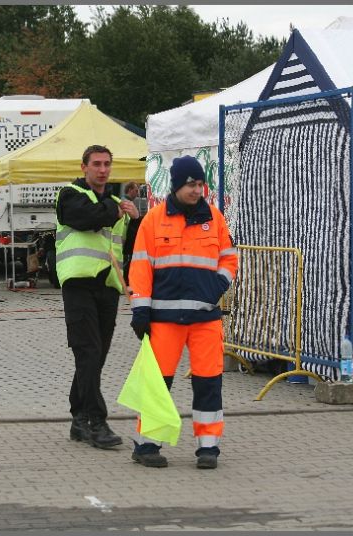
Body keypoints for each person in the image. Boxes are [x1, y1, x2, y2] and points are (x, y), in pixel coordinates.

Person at [128, 155, 238, 469]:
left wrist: (217, 285)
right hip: (164, 319)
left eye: (200, 183)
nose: (196, 189)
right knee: (157, 384)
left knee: (208, 382)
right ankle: (147, 445)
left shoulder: (214, 218)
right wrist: (141, 311)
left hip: (205, 318)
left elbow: (229, 258)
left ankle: (208, 447)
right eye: (191, 184)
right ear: (176, 185)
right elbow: (141, 267)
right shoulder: (153, 220)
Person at [55, 145, 139, 449]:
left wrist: (136, 217)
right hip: (78, 283)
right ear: (84, 167)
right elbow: (83, 217)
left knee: (96, 355)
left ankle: (78, 418)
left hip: (108, 285)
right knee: (87, 351)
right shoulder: (69, 195)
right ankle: (96, 421)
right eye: (97, 164)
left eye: (107, 164)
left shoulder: (119, 203)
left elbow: (128, 243)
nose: (102, 170)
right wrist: (117, 210)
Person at [121, 182, 145, 286]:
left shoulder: (127, 202)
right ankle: (125, 281)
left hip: (125, 238)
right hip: (124, 238)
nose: (138, 193)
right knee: (127, 261)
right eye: (136, 190)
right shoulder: (126, 203)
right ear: (130, 190)